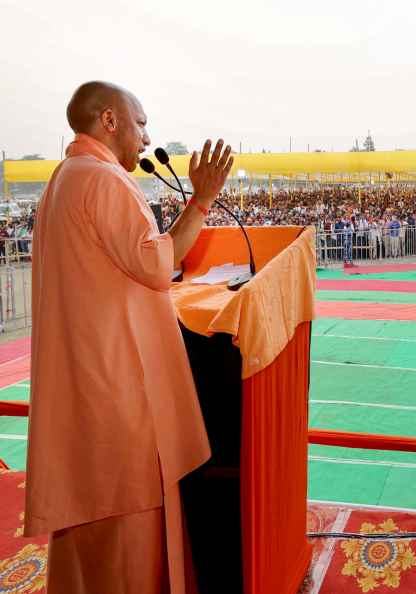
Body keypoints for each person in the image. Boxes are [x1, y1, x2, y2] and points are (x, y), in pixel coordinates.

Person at [25, 81, 233, 593]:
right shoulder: (104, 180)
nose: (146, 135)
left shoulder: (64, 178)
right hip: (118, 386)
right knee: (128, 517)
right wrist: (202, 201)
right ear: (109, 121)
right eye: (140, 122)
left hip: (87, 376)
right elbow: (158, 263)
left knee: (89, 517)